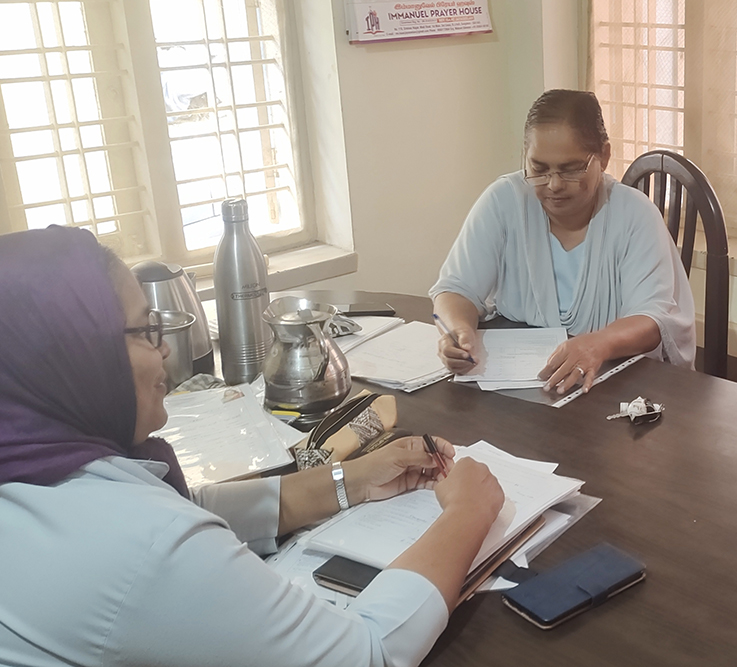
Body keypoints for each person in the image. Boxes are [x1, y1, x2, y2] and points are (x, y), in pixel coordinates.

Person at [0, 226, 505, 667]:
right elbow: (368, 653)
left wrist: (352, 479)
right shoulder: (137, 544)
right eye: (145, 331)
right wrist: (468, 512)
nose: (165, 350)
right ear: (75, 358)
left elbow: (190, 508)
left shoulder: (28, 469)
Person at [431, 89, 696, 394]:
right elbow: (454, 289)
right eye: (539, 169)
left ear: (604, 156)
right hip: (523, 386)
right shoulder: (504, 201)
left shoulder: (634, 215)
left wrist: (597, 345)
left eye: (570, 169)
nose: (553, 185)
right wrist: (457, 331)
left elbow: (652, 319)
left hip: (615, 384)